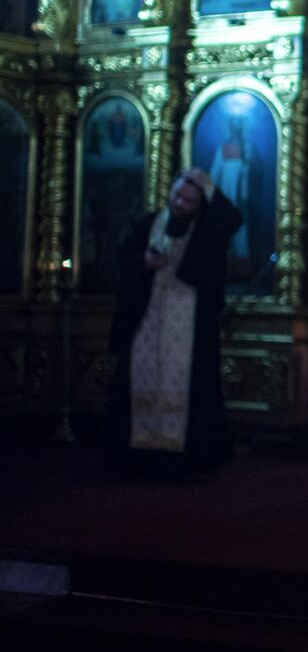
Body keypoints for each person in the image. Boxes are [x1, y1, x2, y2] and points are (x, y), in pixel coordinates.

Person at [104, 169, 244, 477]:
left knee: (187, 386)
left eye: (189, 200)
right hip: (146, 319)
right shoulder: (149, 223)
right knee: (139, 379)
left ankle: (181, 460)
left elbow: (233, 218)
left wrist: (209, 185)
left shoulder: (207, 230)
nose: (179, 203)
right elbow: (123, 256)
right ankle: (136, 456)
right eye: (177, 195)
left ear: (199, 204)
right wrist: (144, 263)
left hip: (189, 325)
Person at [210, 115, 257, 278]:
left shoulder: (248, 149)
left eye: (239, 126)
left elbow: (251, 175)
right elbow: (214, 175)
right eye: (233, 126)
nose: (236, 130)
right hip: (225, 197)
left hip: (241, 199)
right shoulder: (222, 149)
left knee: (241, 234)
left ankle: (241, 272)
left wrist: (245, 195)